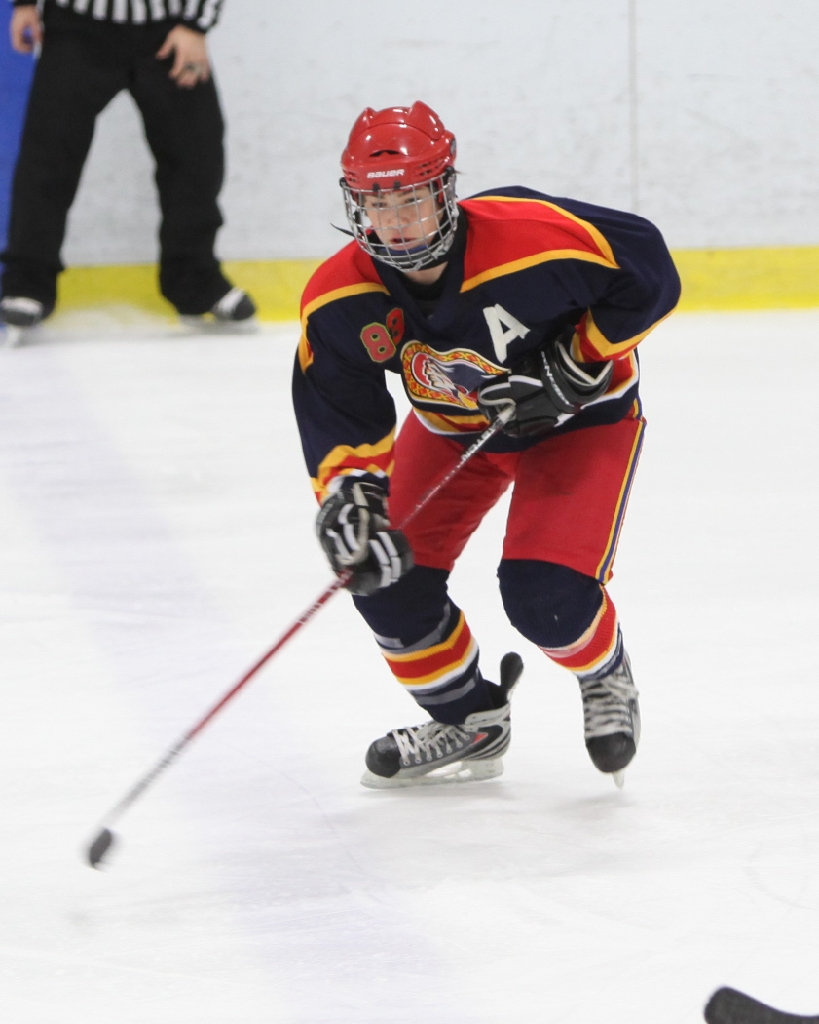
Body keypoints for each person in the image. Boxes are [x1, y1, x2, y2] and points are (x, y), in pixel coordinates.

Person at [292, 101, 681, 789]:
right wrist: (351, 495)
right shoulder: (340, 297)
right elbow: (339, 406)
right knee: (379, 572)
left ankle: (603, 672)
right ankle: (470, 720)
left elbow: (648, 268)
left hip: (578, 422)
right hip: (454, 431)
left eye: (411, 199)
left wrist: (576, 361)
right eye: (378, 204)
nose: (396, 221)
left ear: (445, 190)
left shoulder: (528, 234)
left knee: (544, 596)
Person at [0, 0, 255, 331]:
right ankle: (27, 281)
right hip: (76, 26)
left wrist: (194, 25)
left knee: (196, 156)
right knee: (48, 157)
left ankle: (195, 281)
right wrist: (25, 4)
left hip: (170, 30)